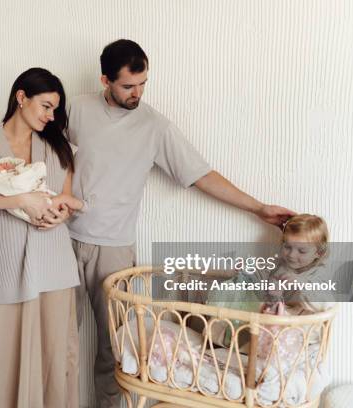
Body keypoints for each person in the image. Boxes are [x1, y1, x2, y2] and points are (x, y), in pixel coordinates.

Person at [66, 39, 297, 408]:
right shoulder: (76, 109)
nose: (137, 93)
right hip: (61, 240)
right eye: (128, 86)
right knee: (60, 342)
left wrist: (258, 208)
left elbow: (201, 175)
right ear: (105, 79)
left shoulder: (154, 127)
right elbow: (40, 150)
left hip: (113, 249)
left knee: (116, 347)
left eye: (143, 84)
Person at [0, 67, 80, 408]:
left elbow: (65, 199)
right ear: (21, 97)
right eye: (45, 106)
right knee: (3, 356)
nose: (51, 116)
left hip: (53, 263)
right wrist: (20, 200)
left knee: (54, 355)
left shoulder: (58, 147)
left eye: (55, 109)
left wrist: (58, 215)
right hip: (3, 267)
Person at [0, 159, 84, 223]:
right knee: (64, 199)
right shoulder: (2, 183)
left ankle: (78, 207)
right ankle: (84, 206)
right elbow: (21, 183)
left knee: (65, 202)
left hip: (44, 212)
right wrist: (25, 169)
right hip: (44, 206)